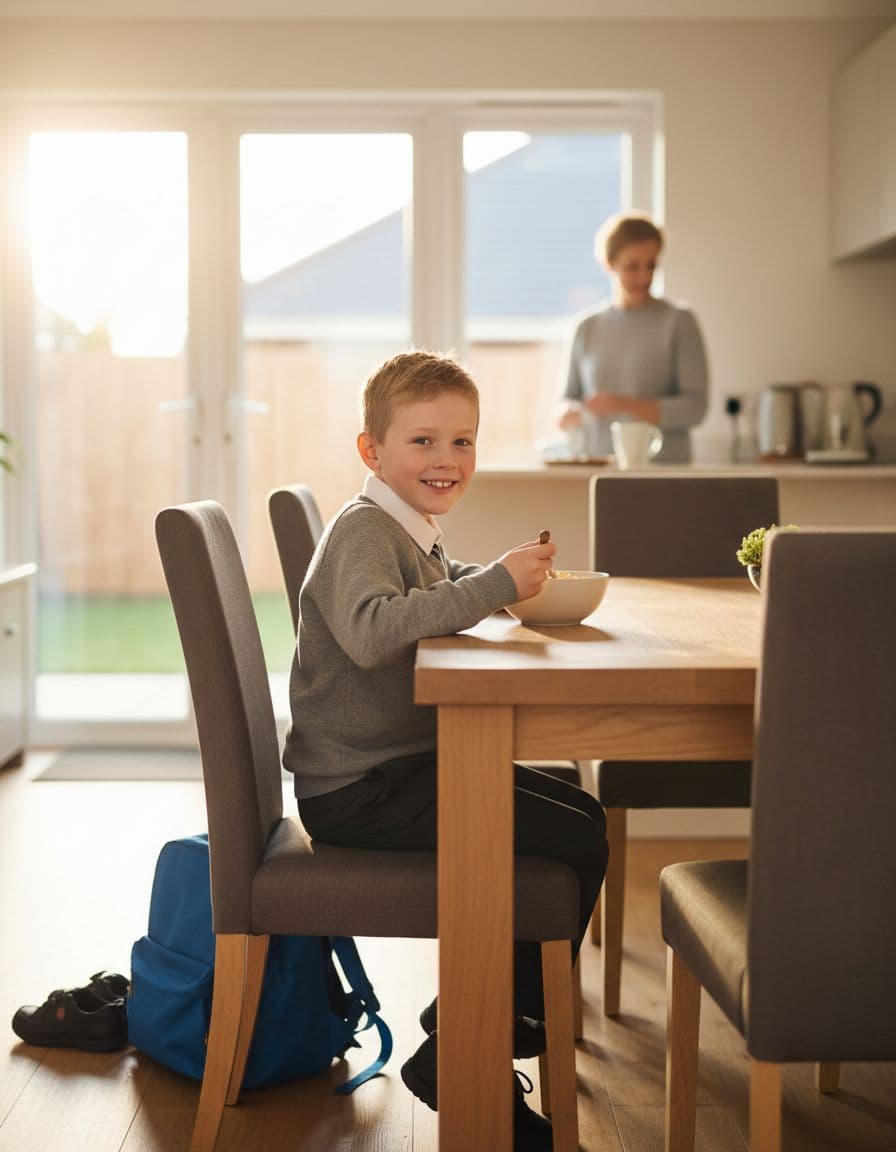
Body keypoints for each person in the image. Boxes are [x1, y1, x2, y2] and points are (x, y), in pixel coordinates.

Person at [282, 350, 607, 1151]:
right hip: (361, 788)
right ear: (373, 452)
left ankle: (478, 1029)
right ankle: (474, 1044)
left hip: (395, 771)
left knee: (579, 813)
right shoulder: (361, 531)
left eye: (462, 442)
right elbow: (371, 630)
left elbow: (434, 583)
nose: (446, 460)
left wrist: (501, 578)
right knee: (571, 836)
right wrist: (492, 585)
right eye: (424, 441)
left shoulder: (405, 530)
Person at [556, 211, 709, 463]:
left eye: (651, 265)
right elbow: (567, 399)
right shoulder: (586, 327)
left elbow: (695, 408)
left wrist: (623, 405)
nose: (644, 277)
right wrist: (566, 413)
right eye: (632, 266)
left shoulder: (679, 322)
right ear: (609, 263)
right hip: (598, 470)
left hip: (665, 472)